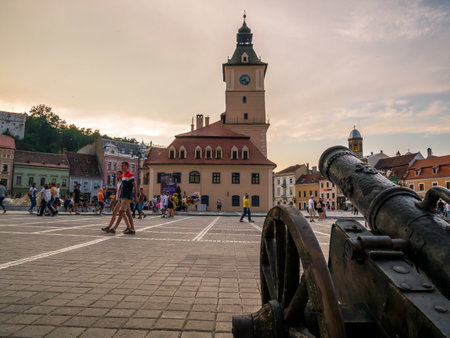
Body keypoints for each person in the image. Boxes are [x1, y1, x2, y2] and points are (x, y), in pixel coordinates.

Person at [111, 162, 137, 235]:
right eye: (121, 166)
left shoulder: (130, 175)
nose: (122, 167)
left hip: (127, 196)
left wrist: (135, 196)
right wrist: (119, 197)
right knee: (128, 213)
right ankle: (132, 229)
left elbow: (134, 186)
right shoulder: (123, 175)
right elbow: (122, 187)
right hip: (122, 196)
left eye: (123, 166)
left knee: (121, 211)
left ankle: (114, 228)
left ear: (127, 166)